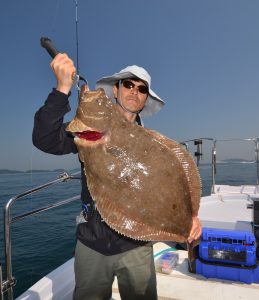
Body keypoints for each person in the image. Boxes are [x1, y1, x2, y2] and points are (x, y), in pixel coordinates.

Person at [33, 53, 202, 300]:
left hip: (136, 247)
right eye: (128, 84)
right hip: (92, 243)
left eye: (141, 89)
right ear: (116, 90)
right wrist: (62, 89)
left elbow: (174, 181)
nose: (134, 91)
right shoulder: (87, 135)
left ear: (145, 99)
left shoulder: (152, 142)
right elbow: (44, 138)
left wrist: (191, 218)